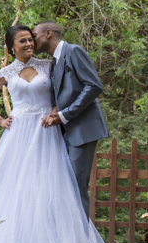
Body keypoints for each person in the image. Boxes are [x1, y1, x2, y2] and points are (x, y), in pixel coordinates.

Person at [0, 25, 106, 243]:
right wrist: (1, 120)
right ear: (11, 47)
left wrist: (57, 111)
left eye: (30, 39)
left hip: (47, 132)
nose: (28, 44)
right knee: (16, 187)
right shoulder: (7, 71)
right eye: (22, 41)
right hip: (18, 134)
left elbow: (61, 92)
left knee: (52, 187)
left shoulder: (48, 65)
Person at [32, 21, 109, 217]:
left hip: (82, 130)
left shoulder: (73, 51)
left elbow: (93, 86)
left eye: (35, 35)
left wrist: (65, 115)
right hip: (65, 132)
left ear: (48, 34)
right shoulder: (54, 62)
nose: (32, 41)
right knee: (64, 187)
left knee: (76, 187)